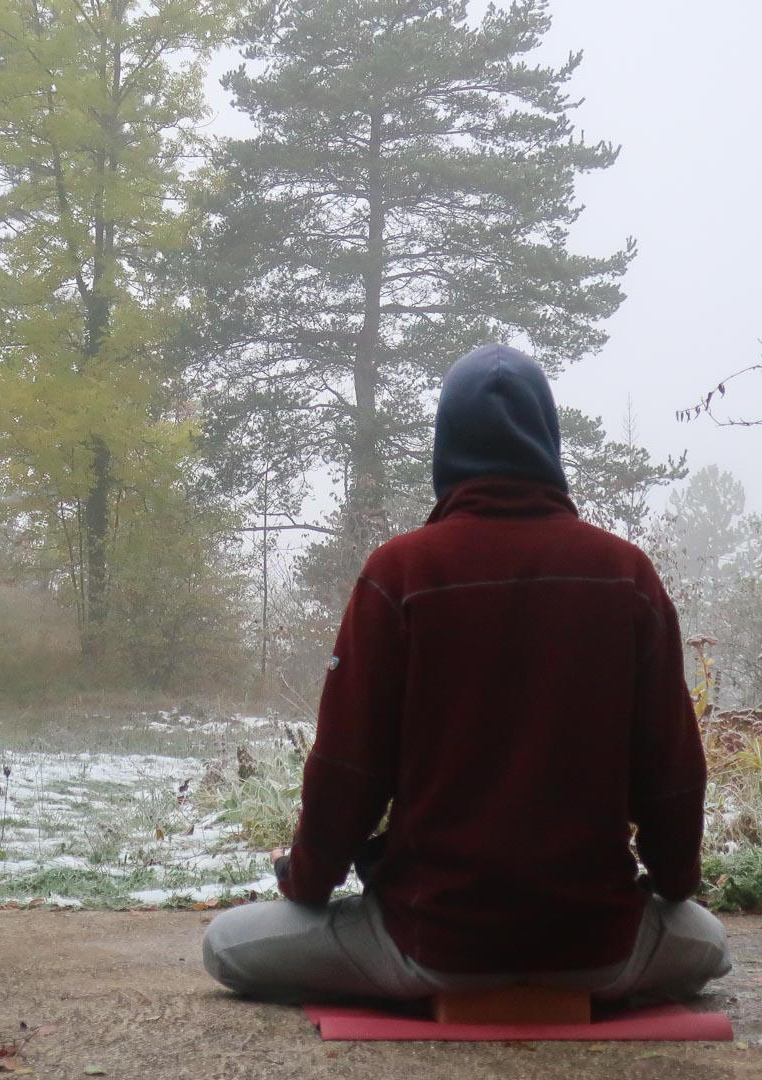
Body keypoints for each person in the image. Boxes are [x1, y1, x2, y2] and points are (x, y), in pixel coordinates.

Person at [201, 344, 730, 1005]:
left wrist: (305, 884)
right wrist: (676, 884)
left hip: (429, 949)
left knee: (225, 944)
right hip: (601, 952)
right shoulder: (628, 575)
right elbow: (672, 770)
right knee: (708, 939)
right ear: (548, 441)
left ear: (446, 447)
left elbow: (348, 768)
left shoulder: (399, 574)